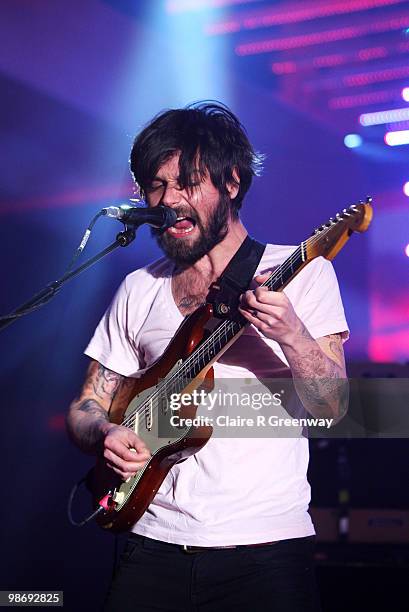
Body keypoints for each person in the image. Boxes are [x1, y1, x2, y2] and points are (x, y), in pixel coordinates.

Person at [66, 102, 349, 611]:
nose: (169, 201)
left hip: (265, 551)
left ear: (233, 183)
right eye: (156, 185)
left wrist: (293, 335)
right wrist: (107, 433)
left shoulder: (301, 272)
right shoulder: (138, 288)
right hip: (149, 544)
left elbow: (333, 407)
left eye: (189, 183)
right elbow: (87, 405)